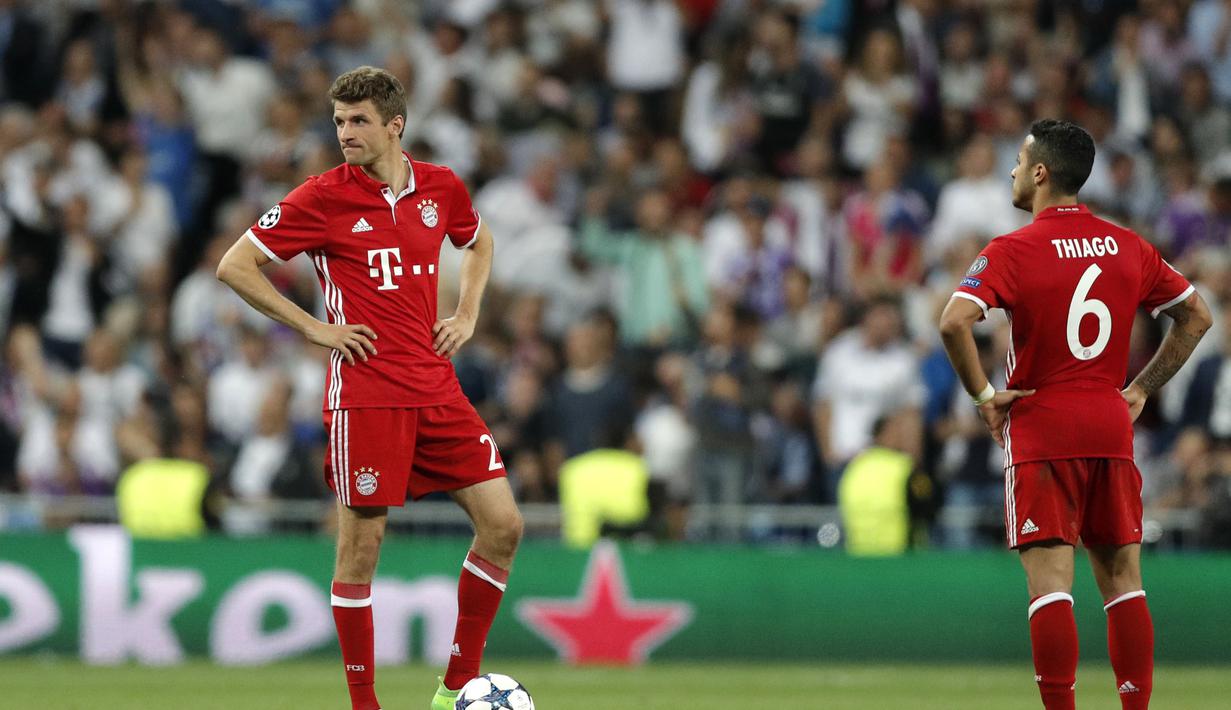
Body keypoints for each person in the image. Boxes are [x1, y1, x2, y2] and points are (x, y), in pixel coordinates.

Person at [215, 66, 523, 710]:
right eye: (338, 121)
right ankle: (365, 705)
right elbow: (234, 266)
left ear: (394, 125)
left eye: (357, 121)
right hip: (367, 393)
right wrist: (312, 328)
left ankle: (457, 686)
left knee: (504, 526)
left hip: (437, 387)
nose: (344, 133)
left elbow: (479, 240)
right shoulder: (321, 197)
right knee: (362, 547)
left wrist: (466, 313)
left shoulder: (440, 187)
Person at [938, 119, 1212, 710]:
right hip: (1110, 425)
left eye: (1017, 161)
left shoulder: (1011, 250)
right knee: (1123, 583)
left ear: (1040, 173)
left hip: (1041, 427)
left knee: (1050, 588)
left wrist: (985, 397)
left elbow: (953, 321)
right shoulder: (1127, 244)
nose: (1011, 172)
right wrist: (1140, 389)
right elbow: (1197, 315)